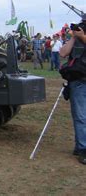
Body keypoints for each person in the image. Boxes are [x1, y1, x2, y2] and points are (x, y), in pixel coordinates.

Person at [60, 18, 86, 165]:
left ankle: (81, 145)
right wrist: (73, 38)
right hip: (78, 82)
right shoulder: (76, 39)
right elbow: (63, 53)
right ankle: (82, 148)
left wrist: (82, 37)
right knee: (80, 116)